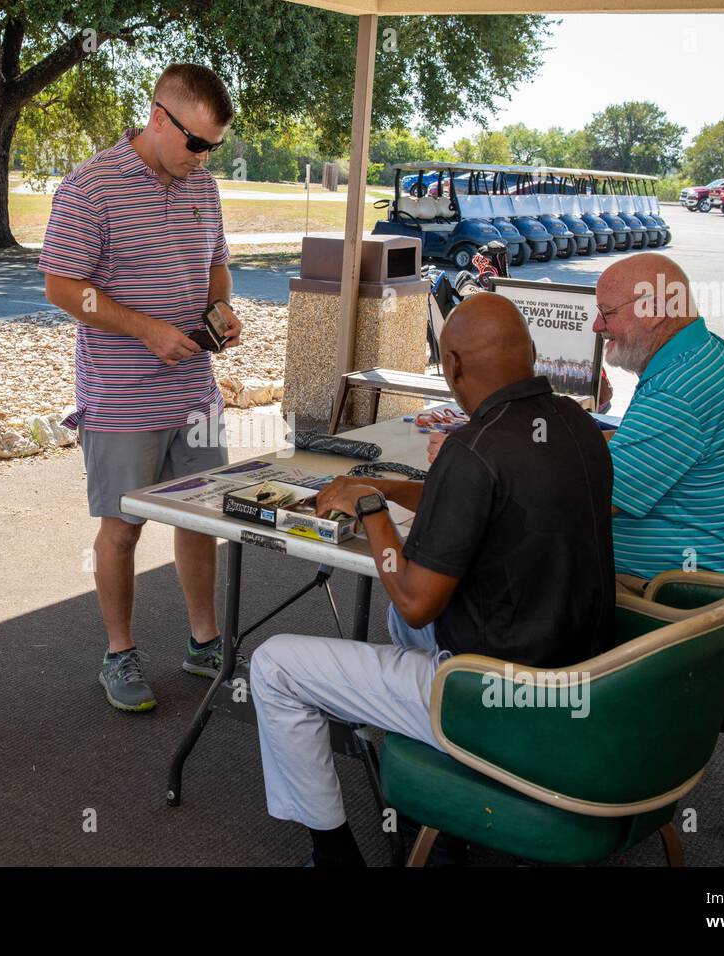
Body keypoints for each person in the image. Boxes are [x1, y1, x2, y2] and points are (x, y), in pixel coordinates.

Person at [248, 293, 616, 866]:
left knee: (274, 666)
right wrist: (392, 489)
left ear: (453, 366)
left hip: (491, 696)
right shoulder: (578, 426)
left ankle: (334, 856)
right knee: (399, 625)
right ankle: (445, 804)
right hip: (582, 673)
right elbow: (491, 503)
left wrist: (372, 512)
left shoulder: (475, 449)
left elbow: (418, 599)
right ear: (533, 354)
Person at [39, 64, 243, 713]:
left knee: (201, 520)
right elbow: (63, 287)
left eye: (213, 146)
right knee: (122, 530)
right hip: (121, 393)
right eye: (197, 143)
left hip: (195, 390)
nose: (204, 157)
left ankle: (204, 640)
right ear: (160, 118)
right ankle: (120, 653)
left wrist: (221, 311)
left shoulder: (201, 187)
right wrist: (144, 329)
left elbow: (216, 267)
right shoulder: (90, 187)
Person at [593, 253, 724, 591]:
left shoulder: (679, 392)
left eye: (607, 313)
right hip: (706, 574)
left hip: (683, 596)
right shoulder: (702, 354)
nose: (597, 326)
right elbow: (643, 443)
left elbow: (589, 500)